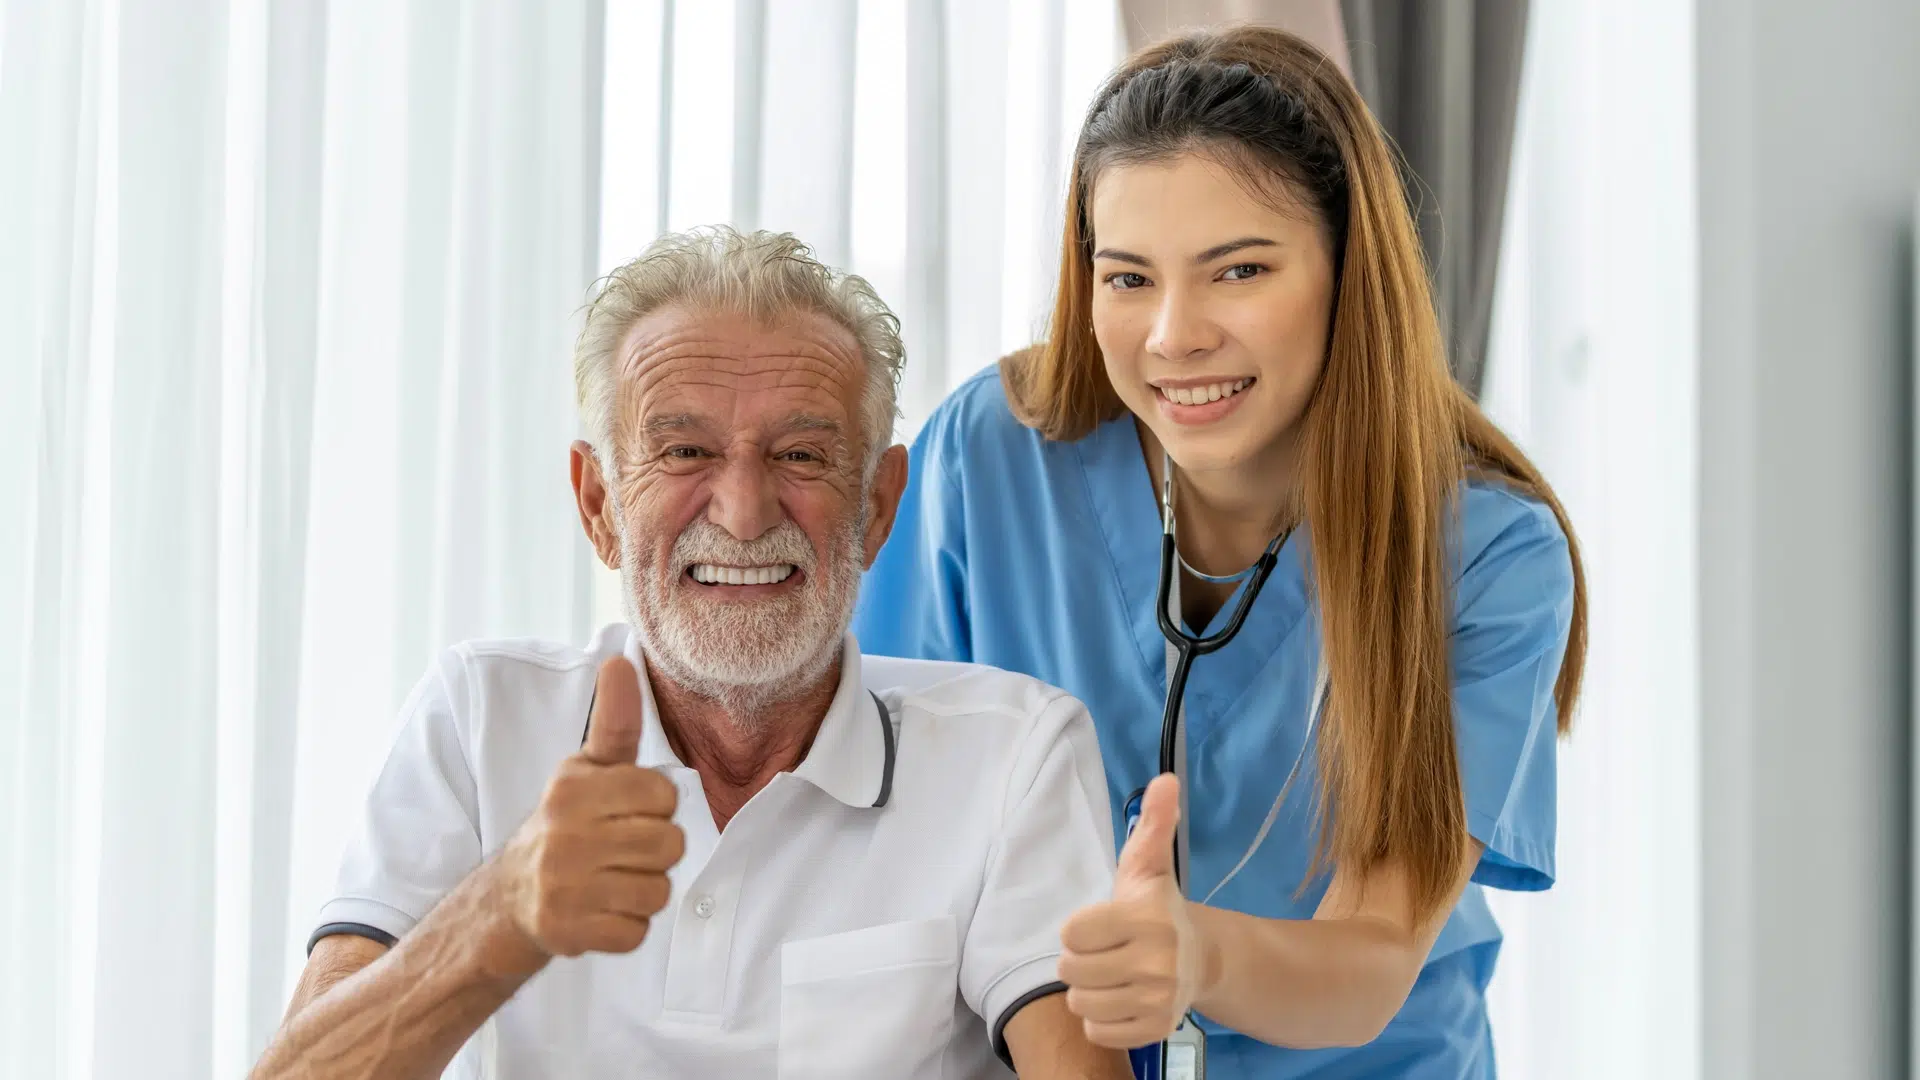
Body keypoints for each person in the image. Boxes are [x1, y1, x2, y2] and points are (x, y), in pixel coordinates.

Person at [853, 26, 1587, 1080]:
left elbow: (1374, 957)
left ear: (1348, 271)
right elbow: (895, 831)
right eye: (1128, 278)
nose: (1173, 336)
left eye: (1237, 270)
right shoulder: (990, 459)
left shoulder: (1491, 560)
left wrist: (1196, 952)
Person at [253, 228, 1134, 1080]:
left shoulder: (1014, 752)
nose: (744, 512)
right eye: (684, 452)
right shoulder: (479, 715)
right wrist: (501, 912)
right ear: (598, 503)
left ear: (877, 506)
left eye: (800, 454)